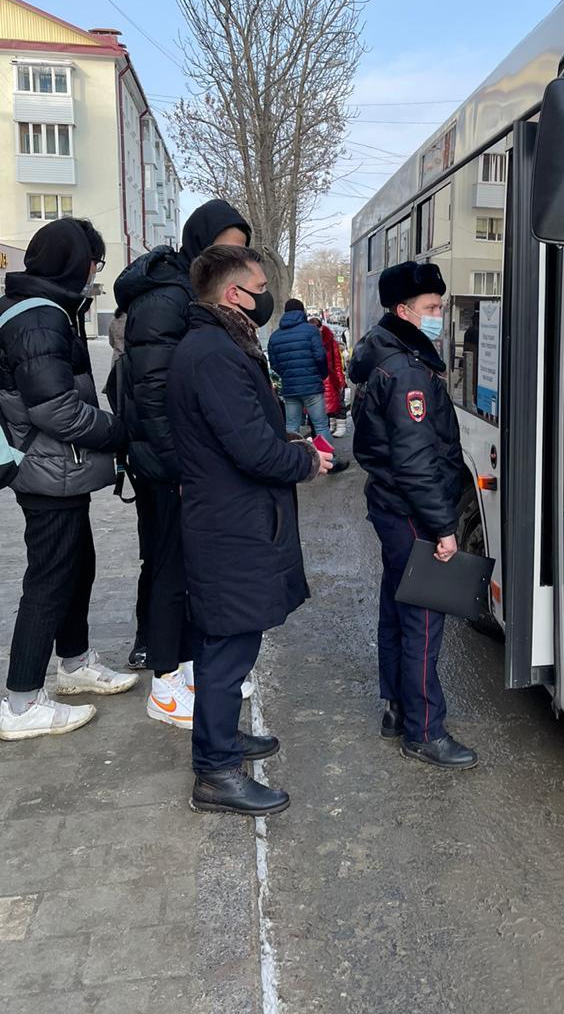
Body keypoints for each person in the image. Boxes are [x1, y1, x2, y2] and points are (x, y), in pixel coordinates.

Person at [168, 245, 331, 815]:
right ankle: (215, 772)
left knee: (235, 638)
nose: (265, 294)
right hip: (228, 524)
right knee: (226, 647)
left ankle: (225, 740)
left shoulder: (220, 345)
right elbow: (250, 449)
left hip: (233, 519)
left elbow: (245, 433)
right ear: (235, 293)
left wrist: (287, 446)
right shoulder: (214, 353)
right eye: (259, 285)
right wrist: (305, 460)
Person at [0, 218, 137, 741]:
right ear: (75, 262)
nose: (95, 273)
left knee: (77, 566)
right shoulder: (38, 318)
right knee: (50, 578)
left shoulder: (48, 309)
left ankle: (75, 663)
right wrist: (118, 431)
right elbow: (56, 410)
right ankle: (20, 702)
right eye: (94, 262)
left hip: (61, 469)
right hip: (46, 468)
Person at [113, 199, 251, 716]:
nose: (232, 260)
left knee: (190, 569)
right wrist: (178, 467)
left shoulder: (191, 291)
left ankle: (191, 670)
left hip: (184, 463)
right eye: (224, 249)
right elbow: (153, 394)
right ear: (200, 242)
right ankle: (166, 684)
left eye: (239, 253)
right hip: (166, 464)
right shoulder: (167, 298)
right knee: (170, 566)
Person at [350, 261, 477, 770]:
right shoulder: (405, 370)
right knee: (423, 620)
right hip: (412, 511)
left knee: (397, 607)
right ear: (404, 311)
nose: (438, 316)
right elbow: (417, 460)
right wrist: (443, 528)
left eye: (439, 307)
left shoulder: (387, 352)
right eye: (430, 308)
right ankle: (425, 730)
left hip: (392, 505)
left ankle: (398, 709)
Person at [268, 299, 348, 470]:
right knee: (320, 425)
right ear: (302, 311)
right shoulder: (310, 331)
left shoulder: (275, 336)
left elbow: (274, 364)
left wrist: (287, 375)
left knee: (291, 426)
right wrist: (321, 375)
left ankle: (293, 464)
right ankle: (329, 462)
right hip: (312, 386)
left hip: (290, 388)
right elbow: (320, 357)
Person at [309, 315, 348, 438]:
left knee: (336, 401)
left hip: (330, 377)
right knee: (326, 404)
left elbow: (336, 361)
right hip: (320, 377)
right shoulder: (311, 340)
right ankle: (331, 425)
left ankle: (340, 425)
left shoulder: (330, 341)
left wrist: (340, 378)